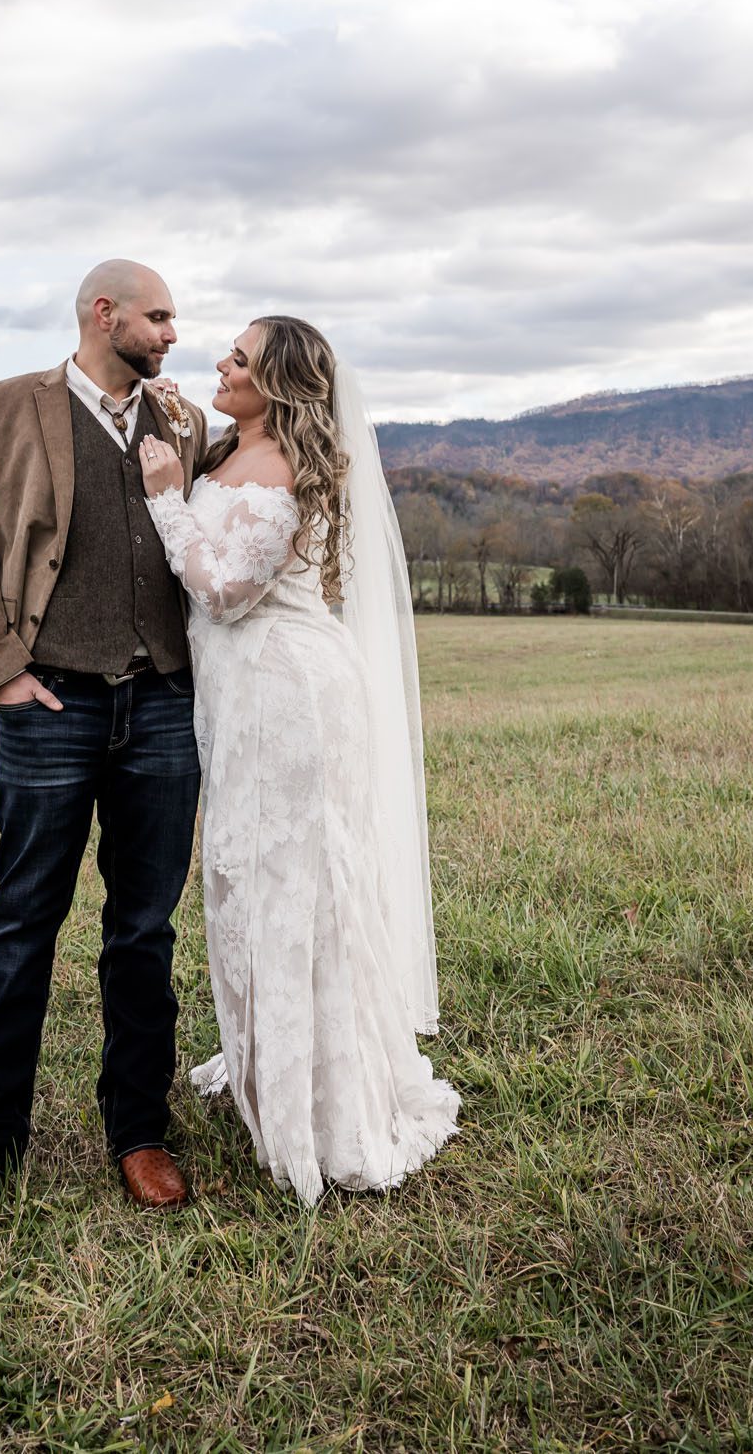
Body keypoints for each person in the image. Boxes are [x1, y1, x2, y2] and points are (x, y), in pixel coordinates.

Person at [137, 315, 462, 1205]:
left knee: (296, 879)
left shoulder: (279, 465)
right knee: (245, 875)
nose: (218, 363)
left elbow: (229, 591)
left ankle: (323, 1099)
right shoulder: (232, 451)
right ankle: (266, 1061)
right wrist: (177, 442)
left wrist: (166, 496)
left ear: (276, 383)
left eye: (237, 359)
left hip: (286, 696)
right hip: (239, 698)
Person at [0, 259, 210, 1229]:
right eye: (158, 316)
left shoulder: (180, 419)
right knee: (20, 927)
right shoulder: (2, 406)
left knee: (143, 931)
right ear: (105, 313)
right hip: (51, 706)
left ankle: (139, 1134)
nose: (172, 333)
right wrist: (2, 669)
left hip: (163, 706)